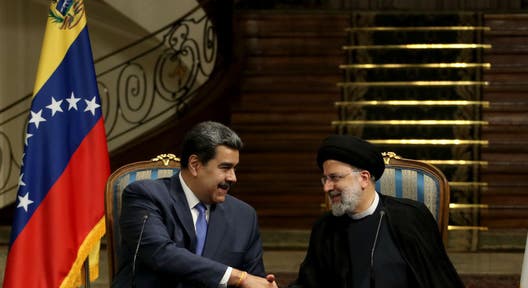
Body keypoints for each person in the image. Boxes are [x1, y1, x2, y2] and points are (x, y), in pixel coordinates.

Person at [113, 121, 278, 288]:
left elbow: (253, 279)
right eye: (225, 168)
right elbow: (161, 254)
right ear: (195, 165)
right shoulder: (145, 196)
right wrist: (236, 277)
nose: (233, 178)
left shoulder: (244, 215)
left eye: (235, 169)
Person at [289, 134, 464, 288]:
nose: (327, 187)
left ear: (364, 178)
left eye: (335, 178)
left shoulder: (410, 217)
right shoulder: (325, 227)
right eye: (325, 179)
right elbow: (310, 283)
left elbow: (439, 279)